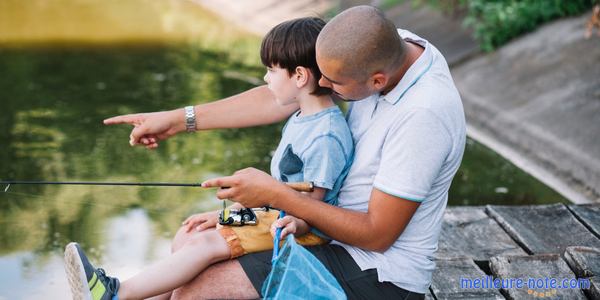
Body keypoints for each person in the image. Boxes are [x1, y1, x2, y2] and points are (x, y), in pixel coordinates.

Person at [104, 5, 466, 300]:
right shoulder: (380, 47)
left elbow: (377, 234)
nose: (323, 86)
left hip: (378, 273)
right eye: (321, 75)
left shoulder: (423, 117)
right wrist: (177, 120)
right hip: (314, 226)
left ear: (377, 82)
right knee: (189, 239)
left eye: (333, 83)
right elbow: (294, 94)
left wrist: (274, 195)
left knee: (200, 290)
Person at [63, 17, 354, 300]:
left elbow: (309, 207)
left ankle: (115, 293)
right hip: (276, 216)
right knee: (196, 231)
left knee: (205, 244)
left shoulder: (325, 135)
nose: (266, 78)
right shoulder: (303, 118)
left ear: (300, 76)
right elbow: (276, 194)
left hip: (300, 230)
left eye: (272, 70)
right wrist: (222, 215)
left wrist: (270, 221)